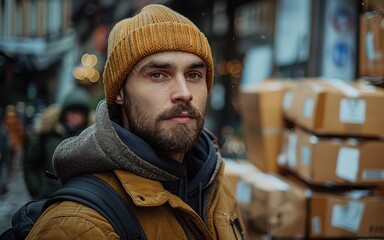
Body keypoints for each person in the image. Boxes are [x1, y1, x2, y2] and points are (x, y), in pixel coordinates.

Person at [27, 4, 247, 239]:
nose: (184, 92)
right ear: (120, 92)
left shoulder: (216, 186)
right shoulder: (77, 225)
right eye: (158, 74)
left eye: (194, 75)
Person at [23, 87, 92, 199]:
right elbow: (30, 163)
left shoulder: (90, 136)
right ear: (65, 112)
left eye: (81, 114)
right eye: (73, 112)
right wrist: (37, 191)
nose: (76, 117)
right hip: (48, 197)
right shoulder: (47, 133)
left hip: (78, 198)